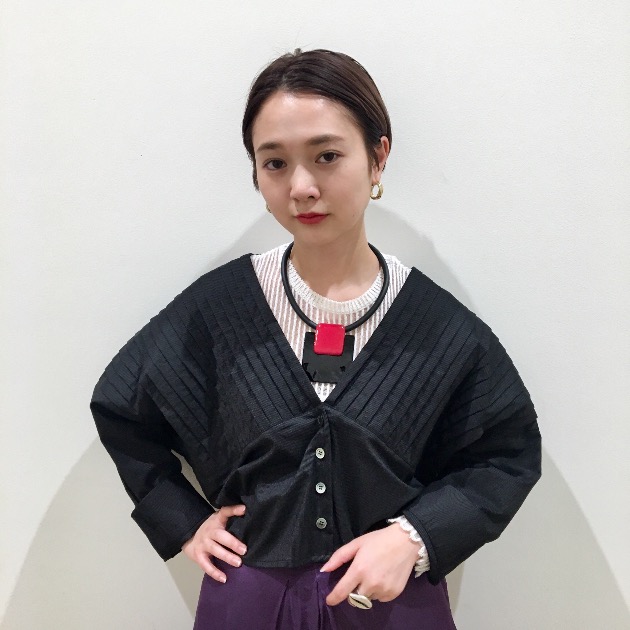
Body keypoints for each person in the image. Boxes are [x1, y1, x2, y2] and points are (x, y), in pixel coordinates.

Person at [90, 49, 541, 629]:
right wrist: (182, 520)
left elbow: (506, 453)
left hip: (389, 606)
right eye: (275, 163)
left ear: (378, 156)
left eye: (327, 156)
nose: (301, 187)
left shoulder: (436, 327)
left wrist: (416, 537)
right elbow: (122, 408)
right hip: (247, 604)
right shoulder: (220, 309)